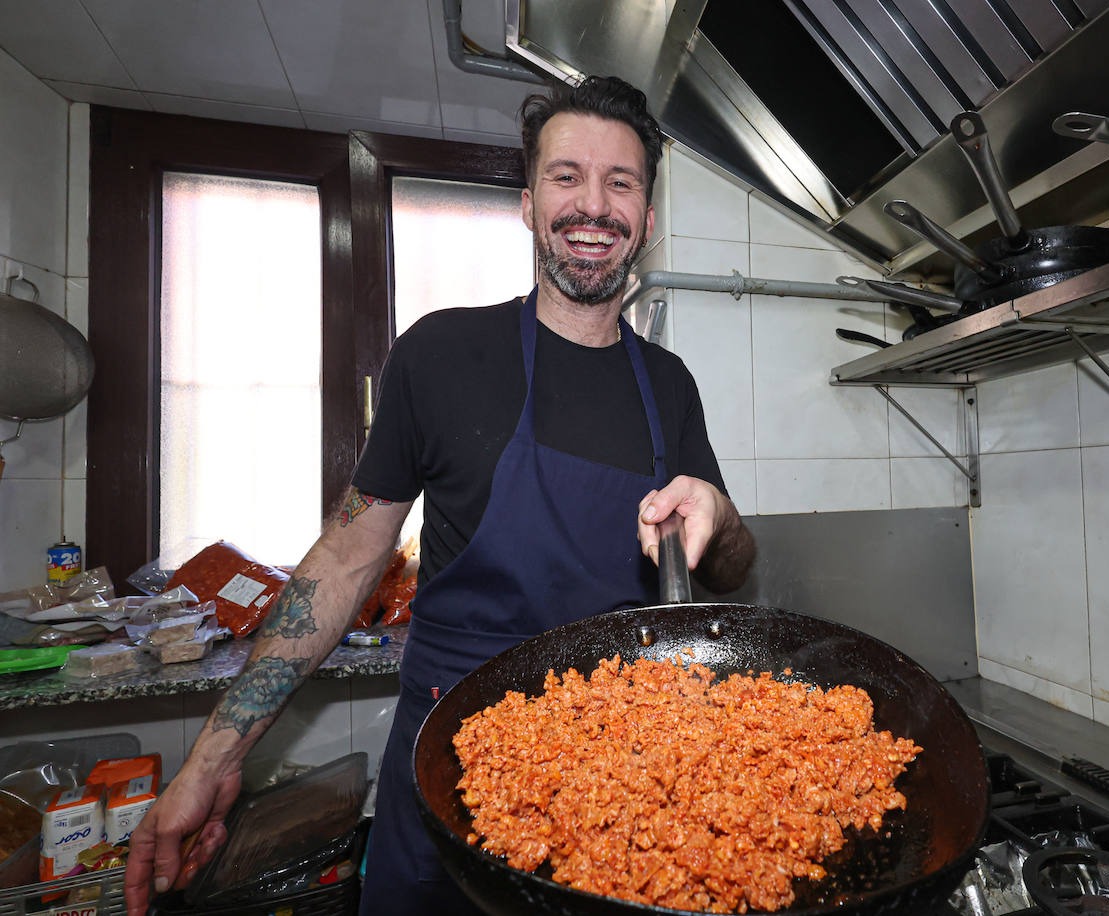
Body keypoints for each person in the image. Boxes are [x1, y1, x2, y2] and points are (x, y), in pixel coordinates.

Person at [123, 75, 756, 915]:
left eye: (622, 183)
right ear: (529, 206)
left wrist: (720, 517)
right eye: (567, 177)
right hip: (449, 761)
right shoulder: (442, 355)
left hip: (619, 776)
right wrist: (214, 759)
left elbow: (731, 571)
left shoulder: (668, 386)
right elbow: (347, 561)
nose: (593, 205)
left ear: (645, 216)